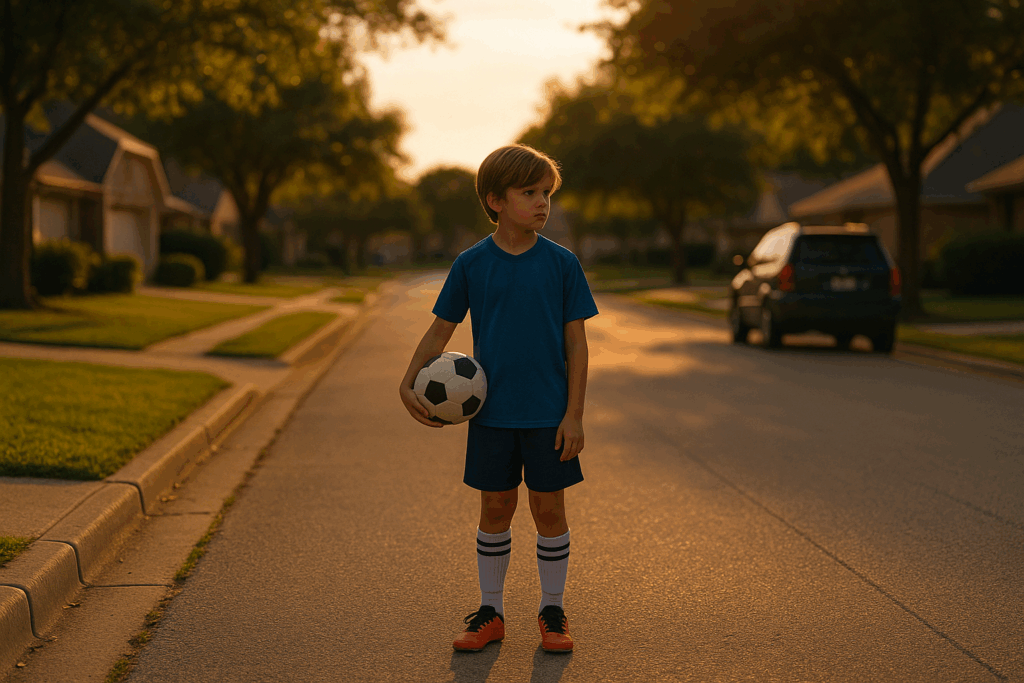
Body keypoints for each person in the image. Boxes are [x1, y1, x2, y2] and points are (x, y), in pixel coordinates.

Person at [398, 144, 598, 654]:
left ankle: (552, 612)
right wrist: (409, 379)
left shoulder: (561, 264)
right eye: (528, 193)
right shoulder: (472, 264)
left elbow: (577, 343)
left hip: (549, 415)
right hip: (492, 415)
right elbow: (441, 328)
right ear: (496, 199)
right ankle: (492, 611)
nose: (541, 203)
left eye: (546, 194)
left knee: (549, 511)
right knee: (496, 506)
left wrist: (573, 414)